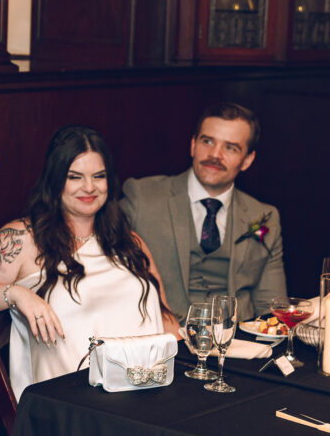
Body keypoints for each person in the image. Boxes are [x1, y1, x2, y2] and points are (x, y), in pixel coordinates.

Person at [0, 124, 179, 399]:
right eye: (75, 177)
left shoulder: (129, 242)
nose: (89, 187)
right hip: (69, 402)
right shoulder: (23, 238)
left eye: (99, 176)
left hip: (146, 391)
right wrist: (17, 294)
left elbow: (167, 322)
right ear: (55, 179)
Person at [121, 102, 286, 321]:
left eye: (230, 147)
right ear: (192, 145)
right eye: (207, 141)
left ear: (247, 160)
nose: (215, 155)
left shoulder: (264, 217)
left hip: (237, 344)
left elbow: (271, 307)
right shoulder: (142, 197)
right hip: (166, 342)